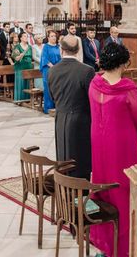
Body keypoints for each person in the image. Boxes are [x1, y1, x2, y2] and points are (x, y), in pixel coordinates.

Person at [89, 43, 137, 257]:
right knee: (123, 191)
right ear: (124, 62)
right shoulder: (128, 88)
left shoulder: (95, 84)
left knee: (104, 187)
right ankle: (125, 246)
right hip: (123, 145)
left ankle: (106, 243)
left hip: (99, 142)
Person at [47, 35, 95, 179]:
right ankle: (81, 192)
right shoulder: (87, 70)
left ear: (61, 50)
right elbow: (91, 98)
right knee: (81, 158)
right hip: (81, 119)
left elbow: (51, 97)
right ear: (78, 49)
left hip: (60, 117)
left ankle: (65, 187)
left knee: (63, 155)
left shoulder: (52, 71)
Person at [40, 30, 62, 114]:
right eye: (52, 36)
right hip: (48, 70)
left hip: (57, 70)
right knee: (48, 89)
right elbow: (45, 59)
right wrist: (53, 66)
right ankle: (48, 108)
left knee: (56, 88)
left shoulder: (58, 46)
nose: (54, 38)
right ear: (48, 37)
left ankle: (56, 106)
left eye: (54, 36)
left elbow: (61, 58)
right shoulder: (46, 47)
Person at [11, 32, 33, 102]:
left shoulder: (29, 47)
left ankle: (27, 98)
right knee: (21, 83)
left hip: (28, 67)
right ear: (20, 38)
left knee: (27, 84)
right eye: (24, 36)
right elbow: (16, 58)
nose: (26, 38)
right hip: (20, 68)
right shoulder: (17, 47)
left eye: (27, 36)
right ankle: (20, 99)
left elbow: (31, 57)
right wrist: (20, 56)